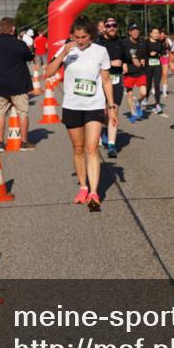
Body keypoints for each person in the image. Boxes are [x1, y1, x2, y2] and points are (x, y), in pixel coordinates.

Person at [46, 16, 115, 211]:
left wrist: (111, 107)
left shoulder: (101, 51)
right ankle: (83, 187)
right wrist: (63, 54)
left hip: (94, 104)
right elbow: (48, 73)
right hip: (72, 105)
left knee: (91, 149)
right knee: (78, 148)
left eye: (84, 37)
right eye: (77, 37)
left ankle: (94, 191)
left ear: (91, 35)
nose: (81, 41)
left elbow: (106, 81)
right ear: (71, 36)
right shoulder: (68, 49)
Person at [0, 17, 36, 151]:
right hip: (18, 84)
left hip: (0, 85)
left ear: (0, 29)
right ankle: (24, 142)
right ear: (13, 29)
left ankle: (0, 143)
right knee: (23, 113)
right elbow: (30, 57)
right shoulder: (20, 44)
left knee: (0, 114)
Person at [96, 18, 125, 158]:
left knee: (114, 110)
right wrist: (111, 63)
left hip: (116, 81)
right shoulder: (98, 42)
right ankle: (103, 129)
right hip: (101, 81)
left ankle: (112, 145)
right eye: (109, 26)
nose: (112, 27)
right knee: (104, 112)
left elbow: (127, 60)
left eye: (114, 25)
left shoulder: (121, 42)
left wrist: (128, 64)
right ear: (104, 28)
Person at [123, 23, 149, 123]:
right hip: (129, 72)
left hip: (140, 72)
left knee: (144, 93)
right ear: (129, 32)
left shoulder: (142, 43)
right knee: (129, 94)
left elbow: (145, 55)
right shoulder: (125, 43)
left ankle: (138, 102)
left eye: (137, 30)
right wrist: (127, 61)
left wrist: (143, 60)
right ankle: (133, 113)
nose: (135, 32)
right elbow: (121, 55)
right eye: (133, 30)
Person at [144, 27, 165, 114]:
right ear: (151, 34)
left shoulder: (160, 43)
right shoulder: (146, 43)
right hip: (148, 66)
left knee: (156, 85)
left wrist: (160, 54)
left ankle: (157, 105)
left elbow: (163, 53)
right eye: (155, 33)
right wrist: (149, 54)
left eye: (158, 33)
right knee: (148, 85)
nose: (156, 34)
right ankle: (146, 97)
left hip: (157, 66)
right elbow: (142, 54)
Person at [158, 29, 172, 97]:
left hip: (165, 58)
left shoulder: (168, 41)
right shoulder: (156, 40)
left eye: (163, 34)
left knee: (165, 74)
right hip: (157, 59)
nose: (161, 36)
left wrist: (170, 61)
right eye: (160, 34)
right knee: (157, 75)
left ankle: (164, 92)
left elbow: (171, 51)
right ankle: (154, 88)